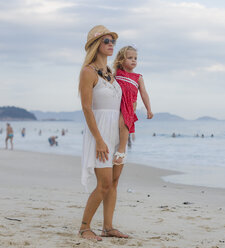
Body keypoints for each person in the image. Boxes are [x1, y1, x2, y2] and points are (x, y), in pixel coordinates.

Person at [78, 25, 128, 241]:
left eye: (112, 41)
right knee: (104, 183)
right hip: (99, 134)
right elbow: (87, 108)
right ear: (95, 45)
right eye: (106, 41)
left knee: (114, 183)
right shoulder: (87, 72)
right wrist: (99, 140)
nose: (110, 45)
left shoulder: (112, 74)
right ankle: (84, 227)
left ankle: (108, 227)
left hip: (116, 135)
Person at [112, 45, 153, 165]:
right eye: (130, 58)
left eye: (135, 58)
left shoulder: (138, 77)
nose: (134, 60)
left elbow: (144, 94)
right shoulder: (116, 74)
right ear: (121, 60)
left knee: (123, 122)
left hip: (129, 105)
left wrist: (148, 109)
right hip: (115, 104)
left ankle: (121, 151)